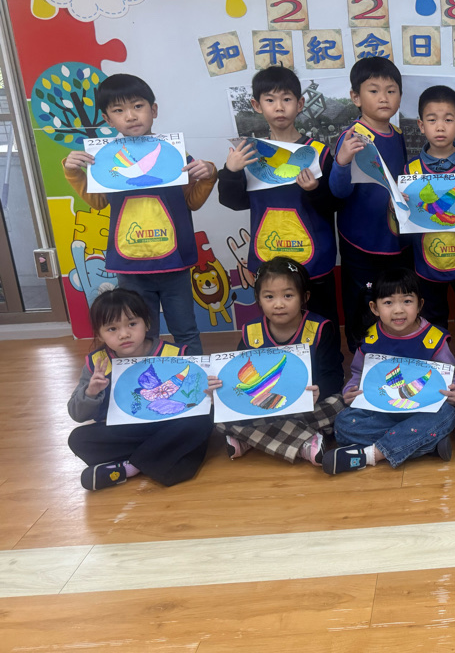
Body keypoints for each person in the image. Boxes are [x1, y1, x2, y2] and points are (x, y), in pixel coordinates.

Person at [62, 74, 216, 353]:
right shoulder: (104, 159)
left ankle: (196, 381)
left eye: (137, 106)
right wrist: (74, 173)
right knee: (141, 336)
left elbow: (192, 202)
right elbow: (98, 202)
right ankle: (145, 381)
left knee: (186, 331)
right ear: (108, 120)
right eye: (118, 110)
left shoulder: (176, 154)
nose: (130, 116)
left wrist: (208, 176)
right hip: (130, 266)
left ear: (153, 110)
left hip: (175, 263)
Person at [218, 66, 341, 325]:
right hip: (268, 259)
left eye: (286, 99)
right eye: (270, 100)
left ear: (300, 104)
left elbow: (334, 204)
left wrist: (314, 190)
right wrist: (230, 171)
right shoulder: (248, 153)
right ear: (256, 105)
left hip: (315, 261)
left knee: (322, 326)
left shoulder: (319, 153)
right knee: (276, 326)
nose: (279, 107)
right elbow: (234, 202)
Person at [67, 288, 212, 489]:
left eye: (132, 324)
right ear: (99, 334)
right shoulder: (98, 363)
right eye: (112, 329)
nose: (124, 334)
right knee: (79, 439)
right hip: (128, 431)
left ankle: (129, 467)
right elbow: (77, 414)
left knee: (202, 419)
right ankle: (159, 456)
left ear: (147, 323)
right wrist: (91, 392)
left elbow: (196, 397)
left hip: (167, 425)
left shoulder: (173, 354)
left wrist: (208, 392)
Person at [207, 257, 346, 465]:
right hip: (263, 404)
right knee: (214, 411)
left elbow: (334, 375)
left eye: (288, 295)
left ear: (304, 297)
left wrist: (321, 390)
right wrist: (219, 388)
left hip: (306, 404)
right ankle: (304, 442)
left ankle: (250, 438)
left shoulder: (320, 328)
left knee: (339, 405)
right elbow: (238, 378)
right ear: (258, 299)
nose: (279, 304)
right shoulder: (251, 331)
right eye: (269, 296)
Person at [323, 267, 455, 473]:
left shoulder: (433, 339)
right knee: (343, 424)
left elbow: (454, 376)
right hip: (382, 411)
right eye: (388, 302)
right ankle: (426, 444)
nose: (398, 310)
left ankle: (370, 455)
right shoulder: (370, 338)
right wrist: (350, 390)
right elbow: (358, 374)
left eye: (407, 301)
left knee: (448, 414)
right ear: (374, 307)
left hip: (423, 411)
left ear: (420, 305)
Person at [402, 85, 455, 362]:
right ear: (421, 125)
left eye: (448, 119)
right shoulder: (410, 171)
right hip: (428, 262)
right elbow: (401, 220)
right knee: (432, 318)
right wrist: (397, 206)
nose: (440, 127)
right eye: (432, 119)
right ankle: (438, 366)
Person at [329, 57, 409, 353]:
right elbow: (338, 192)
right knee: (361, 301)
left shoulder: (398, 136)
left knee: (396, 299)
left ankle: (396, 348)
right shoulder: (352, 137)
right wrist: (341, 162)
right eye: (373, 91)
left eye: (391, 91)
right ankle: (359, 356)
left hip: (396, 238)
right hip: (360, 241)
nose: (383, 98)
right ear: (356, 97)